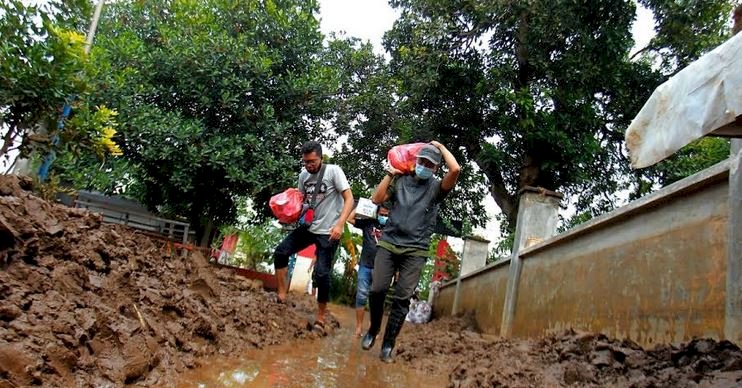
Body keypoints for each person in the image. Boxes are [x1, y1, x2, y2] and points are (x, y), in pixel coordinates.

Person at [361, 141, 460, 362]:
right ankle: (373, 329)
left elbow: (455, 170)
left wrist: (441, 148)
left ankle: (388, 343)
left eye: (431, 164)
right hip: (389, 242)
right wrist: (390, 174)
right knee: (377, 290)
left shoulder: (436, 189)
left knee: (402, 297)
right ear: (416, 162)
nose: (425, 166)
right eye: (422, 161)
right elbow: (376, 200)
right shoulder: (401, 181)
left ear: (435, 169)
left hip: (415, 249)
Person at [272, 141, 354, 330]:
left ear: (321, 158)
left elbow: (349, 199)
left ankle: (321, 315)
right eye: (305, 162)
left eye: (312, 161)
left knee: (322, 273)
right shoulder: (303, 176)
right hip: (308, 227)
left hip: (329, 231)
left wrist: (340, 225)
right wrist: (287, 213)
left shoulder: (334, 171)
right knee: (281, 252)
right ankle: (282, 295)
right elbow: (301, 202)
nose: (309, 165)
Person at [347, 203, 389, 336]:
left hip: (381, 269)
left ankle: (373, 329)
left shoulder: (391, 228)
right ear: (376, 213)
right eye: (381, 214)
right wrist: (364, 205)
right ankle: (359, 327)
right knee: (361, 296)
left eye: (386, 215)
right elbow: (349, 218)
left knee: (376, 299)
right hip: (365, 265)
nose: (383, 217)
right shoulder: (368, 223)